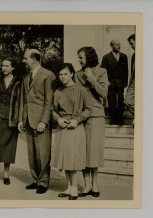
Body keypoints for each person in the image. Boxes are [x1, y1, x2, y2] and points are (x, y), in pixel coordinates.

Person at [52, 63, 92, 200]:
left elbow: (88, 109)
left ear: (71, 74)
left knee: (73, 159)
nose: (62, 77)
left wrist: (77, 120)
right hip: (62, 128)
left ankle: (74, 188)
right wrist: (58, 119)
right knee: (65, 158)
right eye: (60, 74)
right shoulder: (57, 91)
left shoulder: (81, 89)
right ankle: (68, 187)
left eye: (65, 74)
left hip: (75, 127)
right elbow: (53, 110)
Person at [18, 48, 55, 194]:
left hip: (41, 121)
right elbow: (23, 100)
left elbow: (49, 100)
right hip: (28, 120)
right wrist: (21, 119)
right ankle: (35, 179)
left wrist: (44, 121)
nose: (24, 60)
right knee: (32, 153)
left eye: (26, 58)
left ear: (34, 59)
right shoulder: (26, 77)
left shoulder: (48, 75)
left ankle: (44, 182)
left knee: (43, 153)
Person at [75, 47, 109, 198]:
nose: (79, 60)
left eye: (81, 57)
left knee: (93, 151)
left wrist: (91, 78)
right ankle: (87, 184)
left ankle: (95, 184)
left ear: (89, 57)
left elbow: (104, 93)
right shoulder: (76, 74)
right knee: (83, 151)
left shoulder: (102, 72)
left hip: (96, 116)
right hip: (81, 116)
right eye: (78, 58)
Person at [101, 40, 128, 125]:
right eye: (117, 44)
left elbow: (126, 70)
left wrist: (125, 81)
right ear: (111, 46)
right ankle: (113, 120)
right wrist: (106, 82)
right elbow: (103, 71)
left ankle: (120, 119)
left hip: (120, 82)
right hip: (111, 82)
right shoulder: (106, 57)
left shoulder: (124, 56)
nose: (119, 46)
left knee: (121, 100)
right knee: (111, 101)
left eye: (119, 44)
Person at [124, 34, 135, 120]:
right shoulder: (133, 56)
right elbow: (132, 72)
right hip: (134, 82)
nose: (131, 46)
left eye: (132, 43)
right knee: (127, 101)